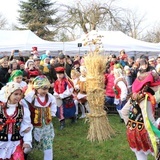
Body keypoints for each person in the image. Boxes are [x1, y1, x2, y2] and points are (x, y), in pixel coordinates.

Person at [121, 70, 160, 160]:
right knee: (157, 153)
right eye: (158, 84)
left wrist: (129, 125)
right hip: (143, 134)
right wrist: (158, 135)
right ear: (153, 86)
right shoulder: (147, 99)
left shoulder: (135, 95)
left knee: (140, 156)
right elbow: (149, 121)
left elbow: (124, 112)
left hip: (132, 132)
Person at [24, 75, 57, 160]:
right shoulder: (30, 97)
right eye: (43, 89)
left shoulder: (50, 97)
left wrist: (52, 114)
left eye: (47, 89)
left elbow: (53, 106)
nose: (45, 91)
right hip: (34, 126)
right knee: (29, 146)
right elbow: (25, 107)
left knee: (48, 145)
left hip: (47, 127)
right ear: (36, 88)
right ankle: (24, 156)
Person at [0, 82, 32, 160]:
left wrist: (27, 141)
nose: (18, 96)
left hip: (15, 141)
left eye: (20, 94)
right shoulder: (1, 108)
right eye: (15, 94)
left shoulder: (23, 110)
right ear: (8, 94)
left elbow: (27, 127)